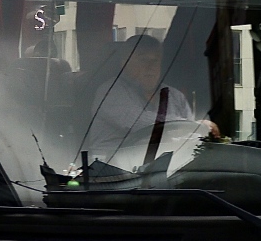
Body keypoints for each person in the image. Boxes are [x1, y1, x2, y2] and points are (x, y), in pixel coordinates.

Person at [84, 34, 218, 161]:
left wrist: (202, 133)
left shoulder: (176, 97)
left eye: (156, 60)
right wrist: (193, 126)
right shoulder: (110, 92)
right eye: (143, 60)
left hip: (165, 172)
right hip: (111, 174)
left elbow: (191, 138)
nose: (151, 66)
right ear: (124, 63)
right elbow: (139, 123)